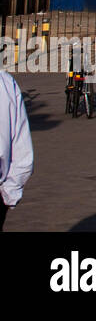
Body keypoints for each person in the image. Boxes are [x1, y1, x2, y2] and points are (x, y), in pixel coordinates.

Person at [0, 71, 34, 230]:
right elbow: (21, 146)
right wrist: (10, 192)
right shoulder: (5, 82)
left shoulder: (5, 82)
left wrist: (9, 193)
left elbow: (21, 146)